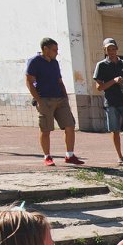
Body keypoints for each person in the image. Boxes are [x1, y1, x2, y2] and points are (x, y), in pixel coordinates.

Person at [24, 37, 82, 167]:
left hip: (60, 99)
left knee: (70, 126)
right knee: (46, 129)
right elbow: (29, 81)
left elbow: (59, 80)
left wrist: (65, 96)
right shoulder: (35, 61)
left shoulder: (55, 63)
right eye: (54, 50)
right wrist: (39, 100)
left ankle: (70, 155)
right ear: (45, 49)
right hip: (45, 99)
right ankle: (47, 156)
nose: (57, 52)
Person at [92, 38, 123, 167]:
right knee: (115, 131)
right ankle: (120, 157)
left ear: (117, 49)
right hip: (111, 102)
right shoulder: (101, 65)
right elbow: (99, 87)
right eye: (108, 49)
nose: (111, 51)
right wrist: (114, 81)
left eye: (113, 49)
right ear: (104, 50)